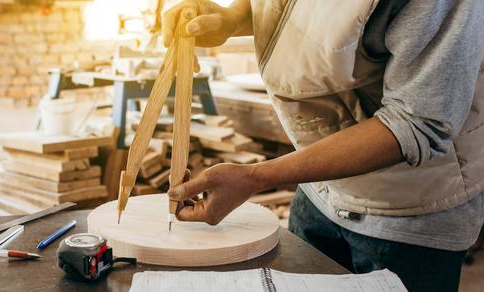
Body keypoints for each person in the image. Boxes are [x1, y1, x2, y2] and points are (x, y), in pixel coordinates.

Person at [163, 1, 484, 291]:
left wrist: (258, 176)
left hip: (407, 213)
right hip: (319, 190)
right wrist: (231, 19)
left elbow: (416, 121)